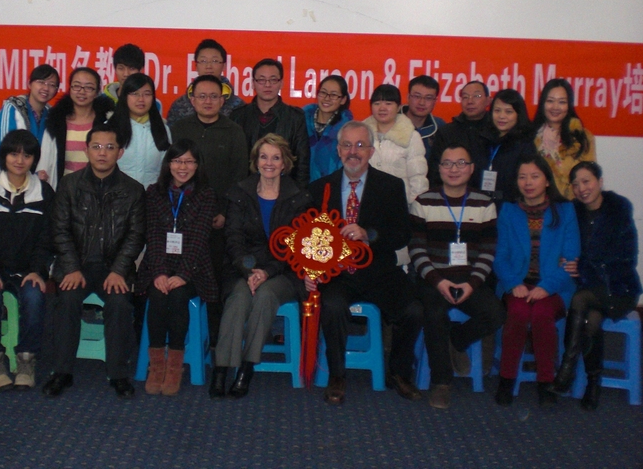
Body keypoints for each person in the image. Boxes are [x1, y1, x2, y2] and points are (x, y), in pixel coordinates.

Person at [308, 121, 422, 405]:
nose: (353, 152)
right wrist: (309, 270)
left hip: (379, 271)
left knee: (413, 310)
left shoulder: (391, 186)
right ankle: (336, 375)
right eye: (347, 145)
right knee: (332, 306)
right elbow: (309, 238)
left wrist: (368, 234)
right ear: (338, 150)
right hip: (337, 274)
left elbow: (402, 234)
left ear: (371, 151)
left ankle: (399, 372)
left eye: (360, 145)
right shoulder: (319, 188)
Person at [43, 124, 145, 399]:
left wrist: (119, 270)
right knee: (65, 300)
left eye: (110, 147)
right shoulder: (69, 185)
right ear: (86, 150)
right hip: (75, 264)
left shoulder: (133, 190)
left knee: (121, 303)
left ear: (120, 153)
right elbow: (59, 230)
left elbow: (136, 236)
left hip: (114, 268)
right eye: (97, 147)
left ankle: (118, 373)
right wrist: (72, 267)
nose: (103, 153)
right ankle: (62, 371)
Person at [209, 135, 312, 400]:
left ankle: (246, 367)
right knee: (239, 297)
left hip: (283, 271)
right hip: (241, 268)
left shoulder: (298, 198)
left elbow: (295, 247)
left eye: (275, 158)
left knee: (266, 296)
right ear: (256, 161)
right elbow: (233, 239)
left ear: (284, 164)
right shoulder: (239, 193)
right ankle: (222, 367)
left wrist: (267, 272)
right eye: (263, 157)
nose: (269, 163)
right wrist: (249, 271)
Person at [410, 143, 505, 409]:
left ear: (472, 168)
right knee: (434, 314)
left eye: (461, 163)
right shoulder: (423, 202)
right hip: (434, 278)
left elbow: (488, 251)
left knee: (496, 313)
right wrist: (438, 281)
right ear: (438, 168)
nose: (454, 169)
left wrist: (473, 283)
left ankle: (457, 338)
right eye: (447, 163)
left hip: (469, 278)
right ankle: (442, 382)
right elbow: (417, 250)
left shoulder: (484, 204)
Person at [0, 130, 55, 391]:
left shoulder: (44, 192)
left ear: (34, 160)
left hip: (27, 269)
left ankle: (27, 359)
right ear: (3, 156)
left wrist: (38, 270)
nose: (19, 160)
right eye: (14, 153)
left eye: (27, 155)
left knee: (35, 295)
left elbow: (46, 239)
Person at [549, 161, 641, 411]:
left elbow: (626, 258)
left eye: (586, 181)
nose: (581, 188)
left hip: (620, 288)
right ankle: (593, 383)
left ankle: (566, 371)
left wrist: (585, 268)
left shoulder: (618, 210)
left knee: (581, 301)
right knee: (590, 318)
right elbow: (565, 248)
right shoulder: (573, 212)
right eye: (576, 184)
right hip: (590, 289)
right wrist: (564, 259)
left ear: (600, 182)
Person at [492, 154, 580, 406]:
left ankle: (546, 382)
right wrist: (512, 283)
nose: (528, 182)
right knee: (518, 313)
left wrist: (546, 287)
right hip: (517, 284)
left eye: (534, 176)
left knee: (541, 315)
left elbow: (570, 258)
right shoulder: (509, 211)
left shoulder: (565, 211)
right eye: (522, 177)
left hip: (554, 286)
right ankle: (506, 379)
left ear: (547, 181)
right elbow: (500, 257)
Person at [171, 74, 250, 345]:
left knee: (214, 282)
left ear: (222, 100)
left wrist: (225, 213)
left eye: (213, 96)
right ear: (191, 100)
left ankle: (216, 341)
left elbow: (240, 177)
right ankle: (180, 340)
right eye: (201, 96)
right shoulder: (179, 129)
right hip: (181, 220)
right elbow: (171, 173)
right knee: (178, 279)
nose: (207, 101)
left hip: (218, 220)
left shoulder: (234, 132)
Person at [136, 140, 217, 396]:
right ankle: (157, 365)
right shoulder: (154, 193)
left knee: (179, 296)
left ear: (197, 165)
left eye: (189, 161)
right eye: (177, 161)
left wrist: (182, 274)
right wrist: (159, 272)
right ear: (168, 164)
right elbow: (154, 236)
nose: (183, 167)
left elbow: (199, 238)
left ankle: (175, 365)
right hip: (158, 265)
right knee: (158, 295)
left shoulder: (206, 195)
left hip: (193, 268)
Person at [230, 58, 311, 187]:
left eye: (273, 80)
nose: (267, 85)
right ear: (253, 83)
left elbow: (302, 164)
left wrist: (297, 197)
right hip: (245, 192)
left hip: (284, 193)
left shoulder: (295, 118)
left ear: (281, 83)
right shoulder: (238, 116)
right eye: (261, 80)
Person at [41, 66, 115, 189]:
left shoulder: (107, 122)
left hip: (98, 191)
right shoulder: (56, 122)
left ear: (97, 92)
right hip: (65, 192)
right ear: (70, 89)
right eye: (77, 86)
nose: (82, 91)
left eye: (89, 87)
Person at [0, 63, 60, 183]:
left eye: (52, 85)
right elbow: (2, 148)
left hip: (40, 184)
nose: (46, 88)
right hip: (9, 182)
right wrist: (31, 175)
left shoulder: (52, 115)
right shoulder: (12, 108)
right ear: (29, 84)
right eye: (41, 82)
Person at [533, 78, 596, 200]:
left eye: (562, 102)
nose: (555, 107)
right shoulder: (531, 136)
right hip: (537, 206)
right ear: (543, 103)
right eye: (550, 101)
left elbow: (589, 176)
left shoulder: (583, 137)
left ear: (569, 105)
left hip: (573, 206)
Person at [363, 84, 427, 203]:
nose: (382, 108)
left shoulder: (411, 137)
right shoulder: (362, 135)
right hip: (366, 204)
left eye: (388, 104)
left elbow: (418, 179)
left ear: (398, 107)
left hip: (400, 206)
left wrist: (412, 210)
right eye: (377, 103)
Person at [428, 80, 496, 189]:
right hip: (453, 195)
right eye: (465, 97)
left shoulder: (497, 131)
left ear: (488, 100)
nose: (470, 101)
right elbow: (435, 171)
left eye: (476, 96)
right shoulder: (447, 132)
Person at [108, 73, 171, 189]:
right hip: (117, 198)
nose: (141, 99)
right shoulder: (110, 128)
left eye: (147, 94)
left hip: (152, 198)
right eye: (134, 94)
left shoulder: (163, 129)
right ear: (125, 96)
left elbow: (166, 169)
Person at [166, 39, 244, 126]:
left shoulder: (238, 106)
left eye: (215, 61)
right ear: (196, 66)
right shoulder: (180, 105)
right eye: (203, 61)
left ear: (224, 66)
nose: (208, 66)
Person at [483, 89, 537, 207]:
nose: (502, 116)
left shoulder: (525, 145)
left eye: (508, 112)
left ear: (518, 114)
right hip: (484, 205)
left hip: (512, 207)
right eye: (497, 111)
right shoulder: (485, 140)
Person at [303, 74, 353, 182]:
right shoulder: (301, 121)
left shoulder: (347, 129)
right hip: (299, 188)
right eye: (323, 93)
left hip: (332, 187)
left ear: (343, 99)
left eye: (334, 95)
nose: (327, 98)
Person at [402, 75, 446, 159]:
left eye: (428, 98)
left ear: (435, 101)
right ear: (408, 97)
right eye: (417, 96)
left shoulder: (440, 127)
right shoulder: (391, 121)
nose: (422, 102)